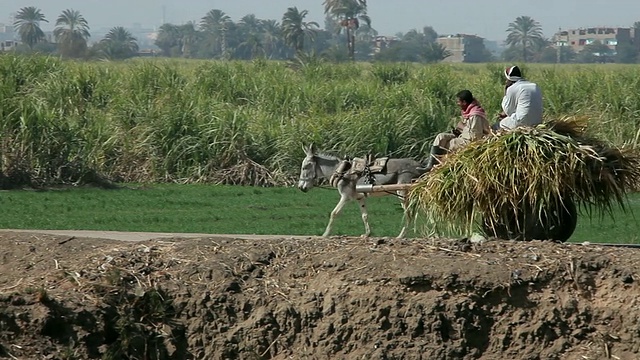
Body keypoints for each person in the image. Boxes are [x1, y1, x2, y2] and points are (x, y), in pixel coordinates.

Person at [418, 90, 491, 172]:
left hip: (470, 142)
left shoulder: (475, 115)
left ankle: (437, 164)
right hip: (463, 136)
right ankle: (430, 165)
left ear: (464, 102)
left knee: (448, 144)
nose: (458, 104)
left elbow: (474, 137)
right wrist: (459, 132)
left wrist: (462, 128)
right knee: (441, 137)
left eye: (459, 102)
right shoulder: (469, 112)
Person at [493, 65, 543, 131]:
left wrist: (505, 93)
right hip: (537, 121)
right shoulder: (534, 86)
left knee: (496, 126)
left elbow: (508, 111)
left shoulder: (512, 88)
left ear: (508, 79)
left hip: (521, 122)